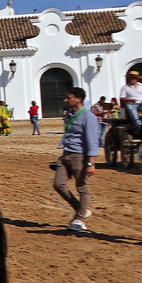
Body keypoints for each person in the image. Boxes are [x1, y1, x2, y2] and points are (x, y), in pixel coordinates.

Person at [54, 87, 100, 233]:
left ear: (78, 99)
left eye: (69, 97)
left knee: (82, 188)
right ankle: (81, 209)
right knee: (58, 184)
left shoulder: (89, 117)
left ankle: (79, 219)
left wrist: (90, 163)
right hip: (66, 154)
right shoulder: (69, 114)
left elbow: (92, 141)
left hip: (80, 156)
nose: (65, 100)